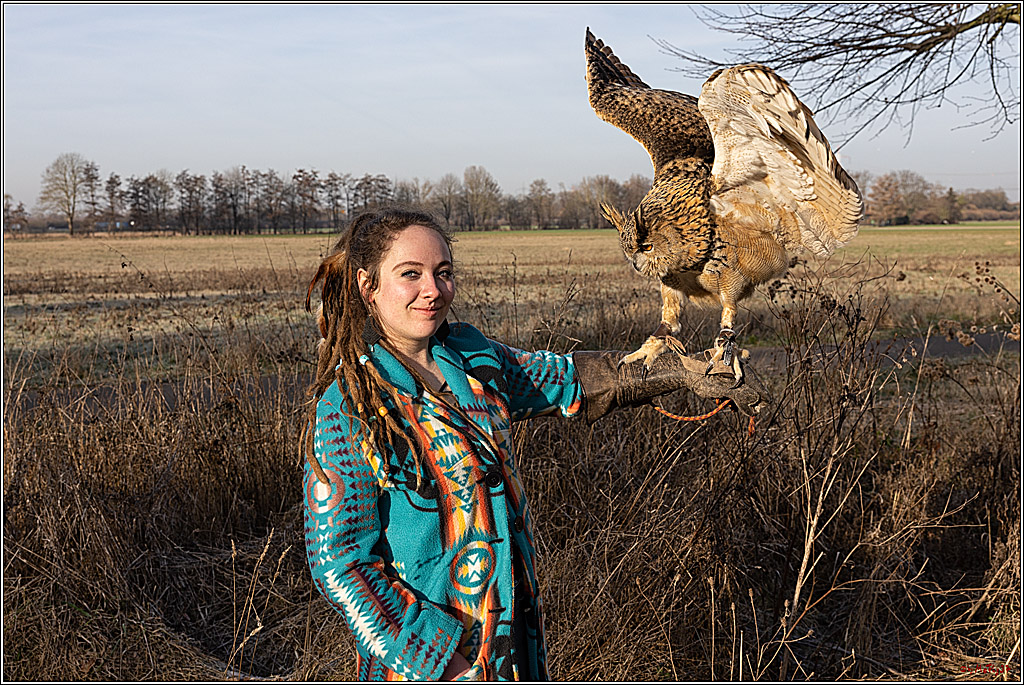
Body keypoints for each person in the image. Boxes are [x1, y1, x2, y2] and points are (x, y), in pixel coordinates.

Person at [302, 206, 765, 681]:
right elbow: (340, 564)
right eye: (410, 274)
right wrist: (443, 664)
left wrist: (679, 371)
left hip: (512, 644)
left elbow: (566, 380)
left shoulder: (474, 358)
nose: (433, 290)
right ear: (367, 286)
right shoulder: (349, 406)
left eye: (443, 272)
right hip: (430, 665)